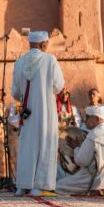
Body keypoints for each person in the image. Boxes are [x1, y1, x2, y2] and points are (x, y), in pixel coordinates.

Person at [11, 30, 65, 197]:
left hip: (28, 113)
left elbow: (15, 92)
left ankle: (22, 186)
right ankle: (39, 186)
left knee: (27, 146)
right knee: (45, 145)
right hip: (45, 112)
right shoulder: (50, 60)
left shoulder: (19, 63)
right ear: (43, 44)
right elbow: (58, 86)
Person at [56, 107, 104, 195]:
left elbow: (82, 161)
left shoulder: (94, 135)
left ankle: (96, 190)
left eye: (88, 117)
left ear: (97, 119)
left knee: (57, 186)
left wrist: (76, 148)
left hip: (94, 180)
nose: (85, 120)